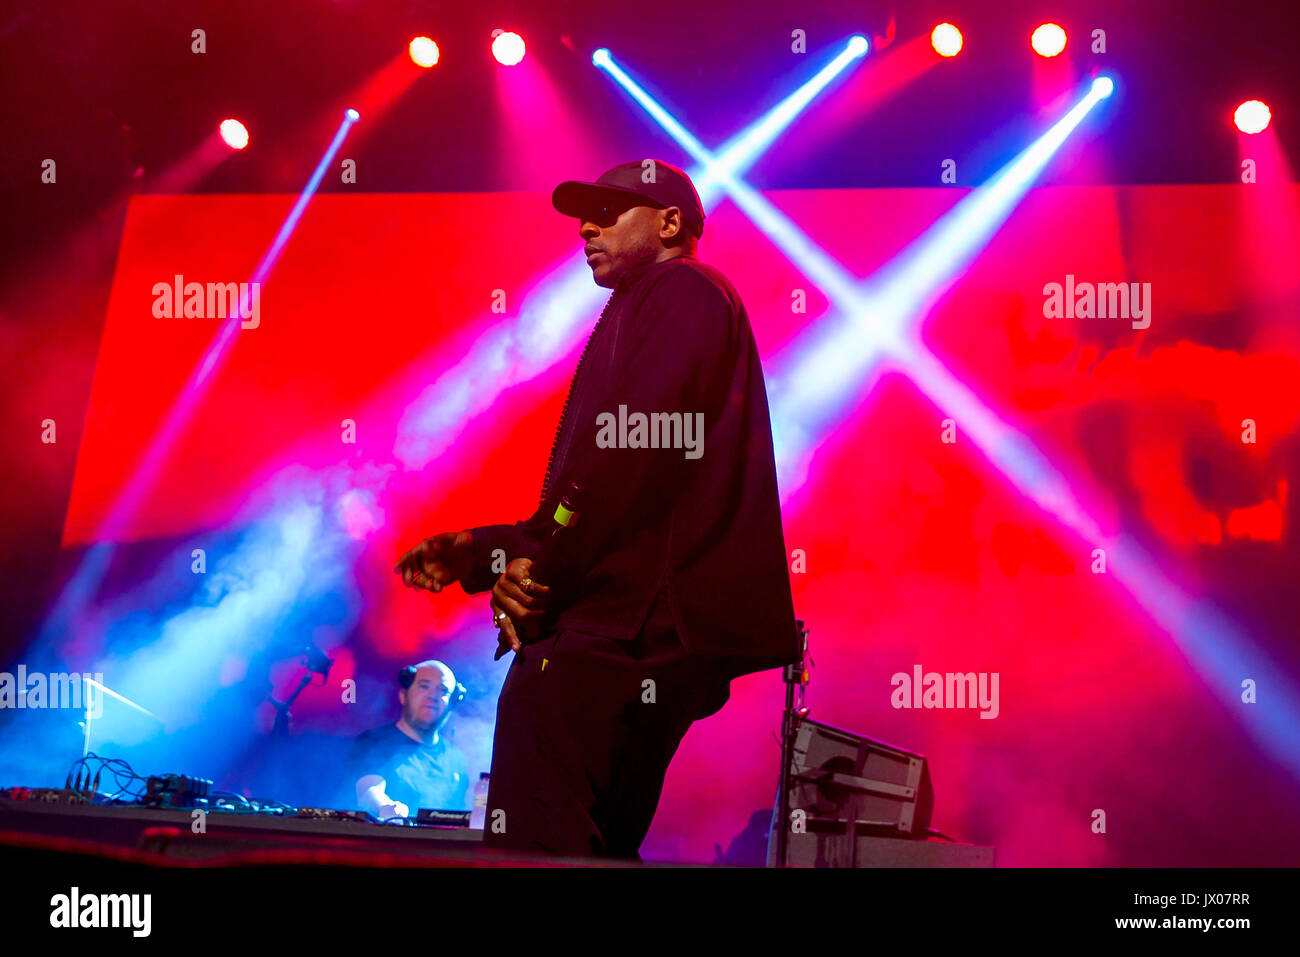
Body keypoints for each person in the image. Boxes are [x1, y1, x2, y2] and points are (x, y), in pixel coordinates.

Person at [394, 159, 798, 858]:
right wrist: (489, 549)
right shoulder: (660, 301)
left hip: (623, 628)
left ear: (671, 223)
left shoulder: (682, 289)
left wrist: (534, 559)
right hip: (636, 627)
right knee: (591, 841)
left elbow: (628, 456)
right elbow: (613, 483)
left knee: (542, 838)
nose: (586, 226)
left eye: (610, 212)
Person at [347, 659, 469, 819]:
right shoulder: (373, 741)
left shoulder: (456, 759)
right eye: (424, 686)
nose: (433, 696)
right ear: (403, 695)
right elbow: (368, 788)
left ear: (452, 703)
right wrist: (387, 808)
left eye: (443, 690)